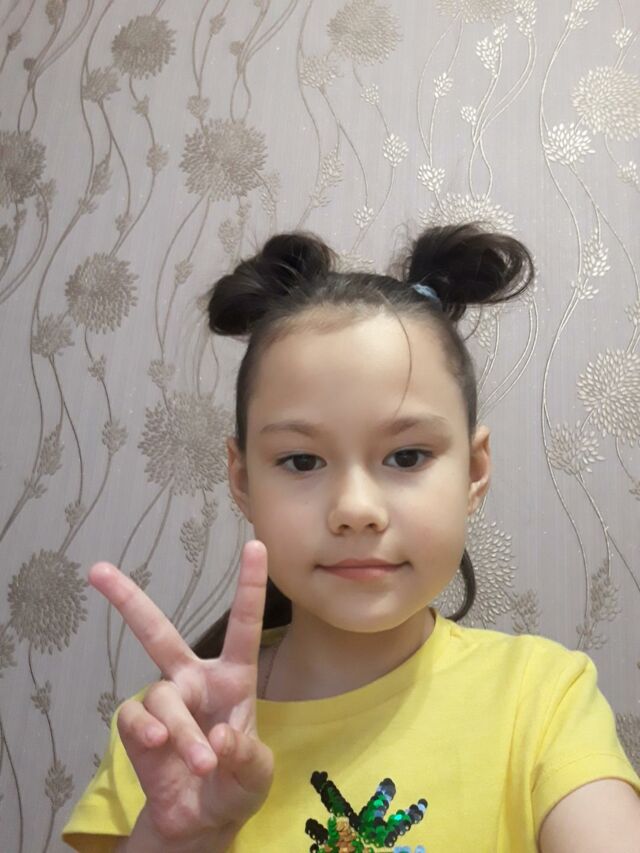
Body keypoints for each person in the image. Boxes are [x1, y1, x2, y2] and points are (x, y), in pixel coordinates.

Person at [62, 223, 640, 853]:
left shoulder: (541, 698)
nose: (356, 510)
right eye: (302, 461)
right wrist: (180, 839)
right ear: (243, 480)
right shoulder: (169, 735)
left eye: (407, 456)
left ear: (474, 471)